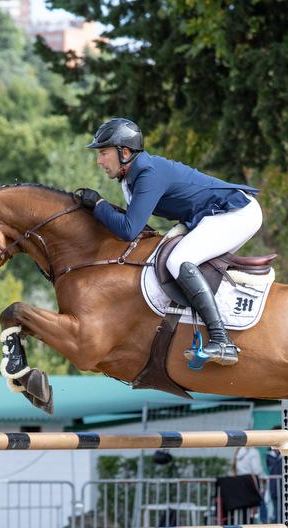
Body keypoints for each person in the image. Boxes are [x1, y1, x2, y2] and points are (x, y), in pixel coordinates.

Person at [74, 117, 262, 367]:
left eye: (104, 153)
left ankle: (223, 341)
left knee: (179, 261)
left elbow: (129, 230)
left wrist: (98, 205)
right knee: (174, 258)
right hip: (208, 216)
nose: (99, 160)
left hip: (237, 213)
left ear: (125, 152)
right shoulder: (131, 175)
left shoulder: (147, 174)